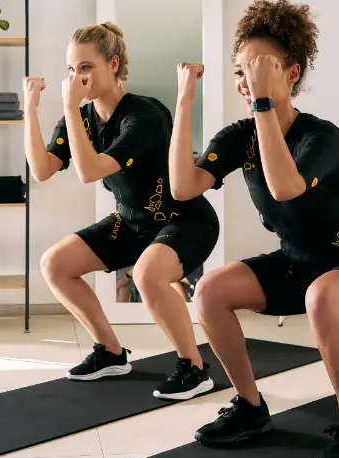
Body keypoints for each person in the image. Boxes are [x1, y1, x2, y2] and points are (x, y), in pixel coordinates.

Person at [169, 0, 339, 458]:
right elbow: (181, 188)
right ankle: (251, 410)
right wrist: (183, 103)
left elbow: (285, 186)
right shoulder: (239, 136)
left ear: (291, 73)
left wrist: (261, 103)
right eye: (240, 72)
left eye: (257, 70)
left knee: (322, 296)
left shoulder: (323, 137)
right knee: (211, 291)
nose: (245, 82)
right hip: (299, 261)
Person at [23, 21, 219, 401]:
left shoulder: (144, 115)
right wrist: (30, 111)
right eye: (71, 69)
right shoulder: (81, 120)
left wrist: (67, 104)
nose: (76, 78)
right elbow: (42, 169)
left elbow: (89, 171)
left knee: (147, 275)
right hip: (132, 222)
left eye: (86, 67)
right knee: (55, 264)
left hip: (184, 219)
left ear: (113, 64)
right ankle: (110, 352)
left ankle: (194, 368)